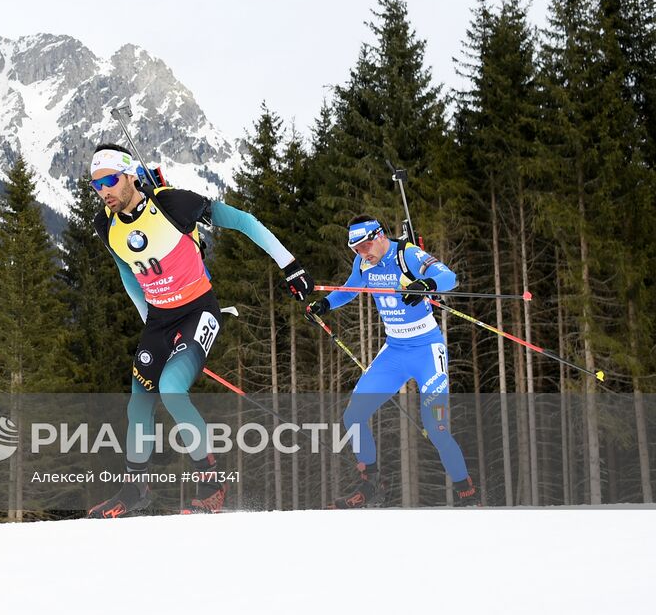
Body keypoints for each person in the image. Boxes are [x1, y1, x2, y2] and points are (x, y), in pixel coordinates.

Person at [85, 143, 313, 517]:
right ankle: (134, 490)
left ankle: (211, 484)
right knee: (139, 401)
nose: (103, 191)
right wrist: (147, 317)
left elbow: (243, 221)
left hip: (198, 310)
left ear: (130, 176)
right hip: (159, 319)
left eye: (109, 180)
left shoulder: (174, 204)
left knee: (172, 389)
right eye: (96, 185)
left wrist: (291, 266)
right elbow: (126, 269)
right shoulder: (105, 225)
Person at [307, 215, 479, 507]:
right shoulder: (363, 263)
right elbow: (350, 289)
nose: (362, 253)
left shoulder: (406, 254)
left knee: (435, 426)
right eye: (356, 249)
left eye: (365, 246)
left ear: (380, 236)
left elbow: (449, 277)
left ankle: (466, 491)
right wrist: (324, 304)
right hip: (395, 351)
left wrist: (425, 284)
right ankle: (372, 485)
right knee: (353, 416)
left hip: (426, 350)